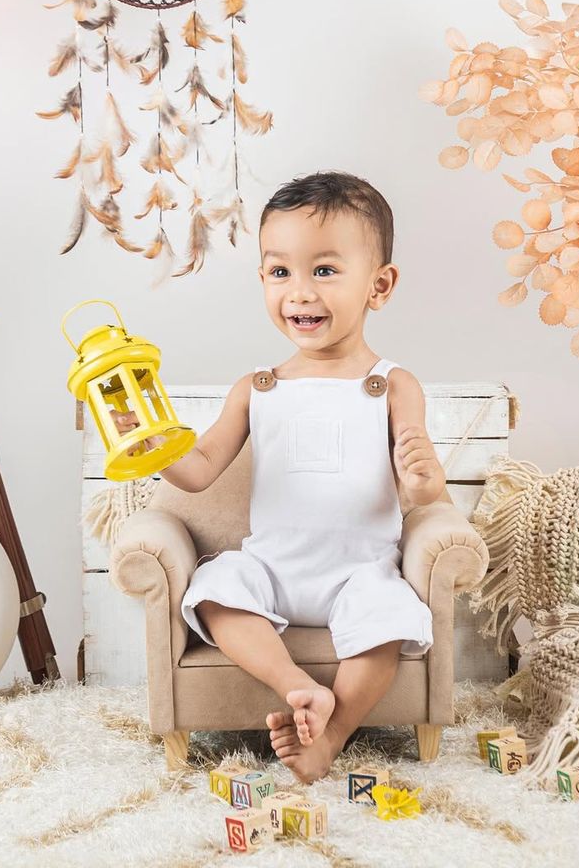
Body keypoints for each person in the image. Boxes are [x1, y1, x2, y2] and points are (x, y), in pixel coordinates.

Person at [111, 170, 446, 783]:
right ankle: (297, 687)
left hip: (360, 571)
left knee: (390, 620)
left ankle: (332, 735)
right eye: (280, 271)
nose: (300, 292)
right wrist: (152, 442)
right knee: (214, 591)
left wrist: (425, 481)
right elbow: (198, 472)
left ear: (379, 285)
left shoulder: (392, 385)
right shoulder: (257, 388)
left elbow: (422, 489)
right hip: (273, 568)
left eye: (325, 270)